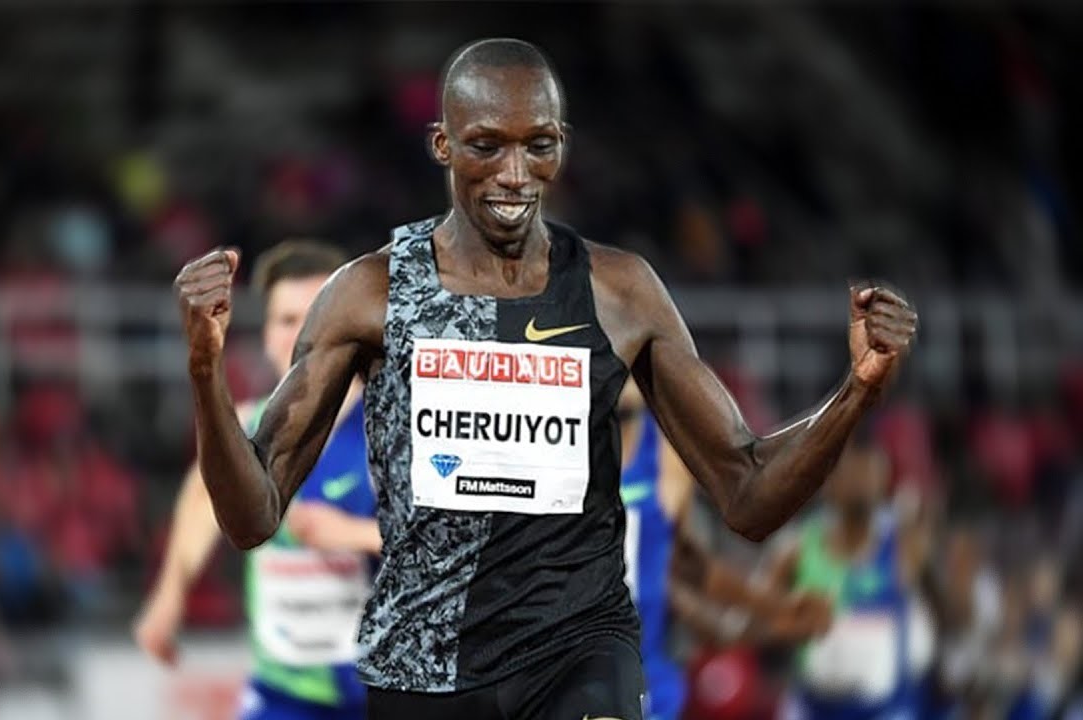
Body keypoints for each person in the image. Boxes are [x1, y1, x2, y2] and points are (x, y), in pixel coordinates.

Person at [172, 38, 917, 720]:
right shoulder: (373, 295)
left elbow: (748, 495)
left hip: (579, 651)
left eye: (539, 145)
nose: (515, 173)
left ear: (562, 143)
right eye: (486, 146)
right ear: (442, 144)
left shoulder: (618, 292)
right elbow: (251, 516)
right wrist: (205, 375)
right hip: (427, 665)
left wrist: (855, 393)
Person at [137, 240, 380, 720]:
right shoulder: (247, 428)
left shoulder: (393, 430)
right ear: (266, 334)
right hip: (282, 693)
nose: (301, 334)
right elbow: (204, 495)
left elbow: (457, 546)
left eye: (314, 317)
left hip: (378, 696)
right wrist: (170, 595)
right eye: (287, 320)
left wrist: (350, 534)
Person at [617, 377, 833, 720]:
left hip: (646, 683)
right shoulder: (552, 448)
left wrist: (775, 607)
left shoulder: (664, 456)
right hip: (568, 668)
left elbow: (684, 564)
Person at [769, 444, 935, 720]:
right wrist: (789, 622)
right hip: (813, 707)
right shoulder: (796, 548)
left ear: (883, 484)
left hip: (881, 710)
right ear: (829, 485)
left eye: (869, 475)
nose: (861, 484)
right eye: (852, 475)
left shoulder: (904, 546)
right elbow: (760, 615)